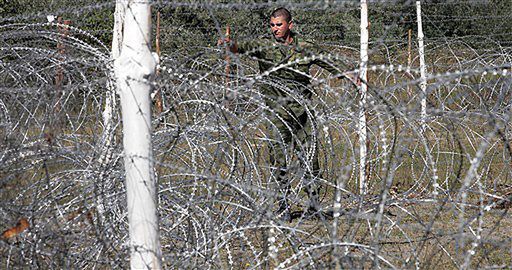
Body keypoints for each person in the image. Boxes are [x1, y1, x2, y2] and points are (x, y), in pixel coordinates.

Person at [220, 7, 354, 221]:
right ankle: (283, 205)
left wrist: (349, 74)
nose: (275, 29)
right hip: (277, 113)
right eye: (272, 25)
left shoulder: (305, 47)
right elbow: (240, 47)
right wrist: (229, 45)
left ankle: (313, 205)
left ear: (290, 25)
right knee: (278, 160)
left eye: (279, 25)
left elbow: (327, 61)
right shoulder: (263, 46)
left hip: (302, 111)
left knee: (310, 160)